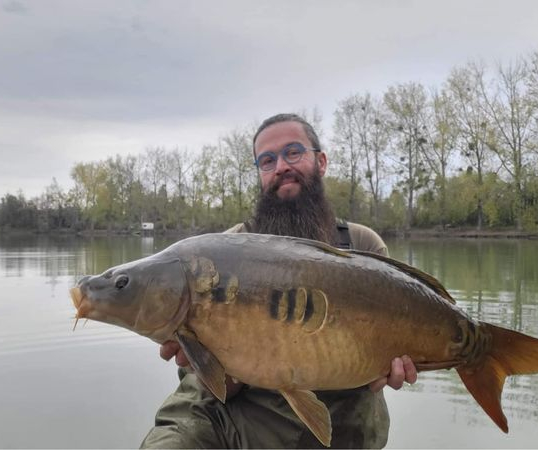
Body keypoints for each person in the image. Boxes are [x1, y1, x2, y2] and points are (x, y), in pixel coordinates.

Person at [140, 113, 417, 449]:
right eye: (267, 161)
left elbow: (387, 356)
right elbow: (214, 391)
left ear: (321, 161)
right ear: (260, 173)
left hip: (345, 425)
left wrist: (389, 366)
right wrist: (210, 363)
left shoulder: (363, 245)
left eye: (293, 152)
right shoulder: (225, 251)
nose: (281, 167)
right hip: (248, 423)